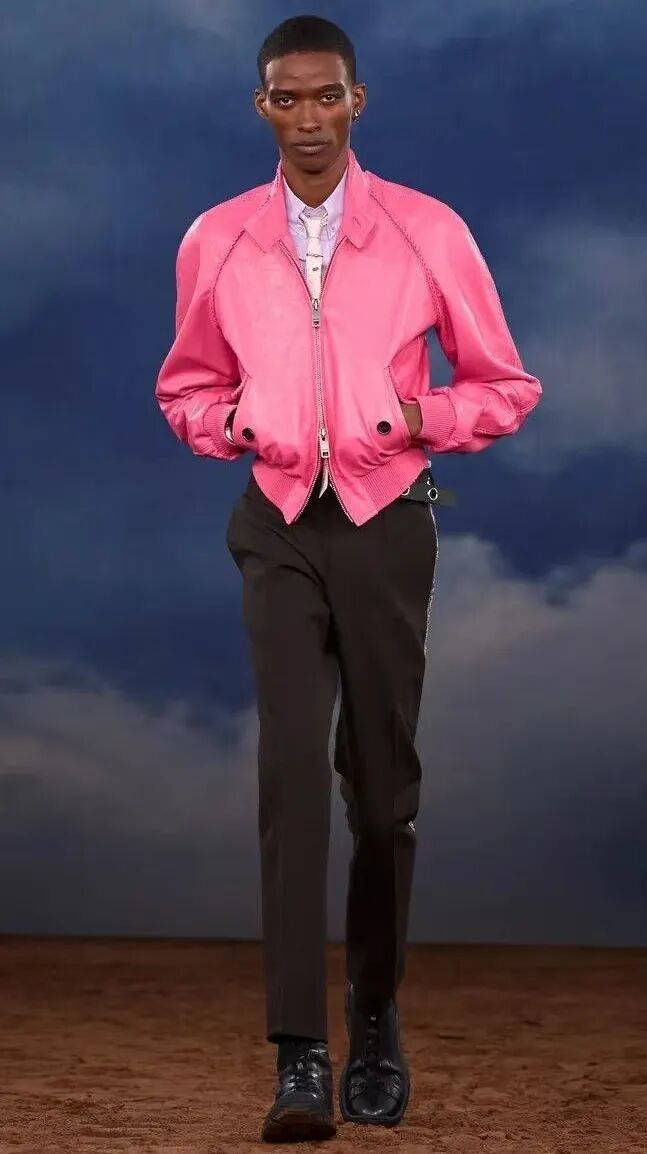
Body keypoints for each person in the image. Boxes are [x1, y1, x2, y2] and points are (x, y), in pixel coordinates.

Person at [155, 14, 542, 1143]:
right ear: (262, 109)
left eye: (327, 96)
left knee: (378, 788)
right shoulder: (218, 238)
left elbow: (504, 385)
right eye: (287, 99)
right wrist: (240, 424)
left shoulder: (425, 229)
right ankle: (300, 1054)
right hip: (276, 522)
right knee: (287, 772)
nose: (309, 118)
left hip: (386, 524)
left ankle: (374, 1018)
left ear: (356, 102)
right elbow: (185, 387)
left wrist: (412, 416)